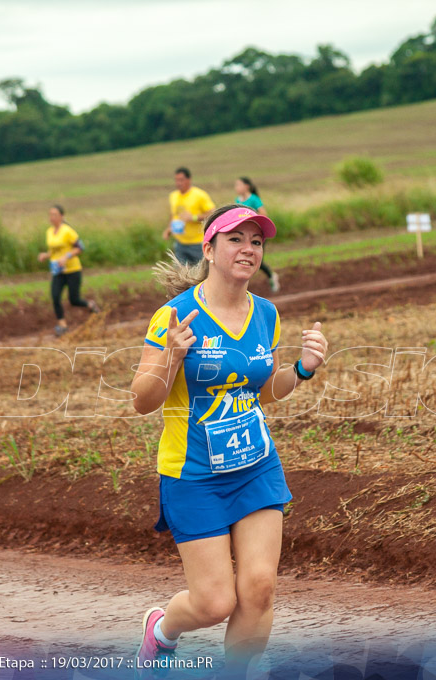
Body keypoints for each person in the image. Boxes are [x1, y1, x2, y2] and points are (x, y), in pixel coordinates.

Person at [130, 205, 328, 676]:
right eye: (235, 239)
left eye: (256, 242)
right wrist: (171, 358)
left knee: (259, 588)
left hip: (255, 464)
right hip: (193, 473)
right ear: (209, 248)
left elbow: (265, 392)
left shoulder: (266, 314)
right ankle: (161, 630)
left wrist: (301, 370)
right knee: (215, 602)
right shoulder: (175, 315)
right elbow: (142, 400)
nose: (248, 249)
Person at [37, 204, 100, 336]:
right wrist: (46, 255)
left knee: (74, 300)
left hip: (73, 270)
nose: (52, 217)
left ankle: (90, 305)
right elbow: (54, 249)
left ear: (61, 216)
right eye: (50, 214)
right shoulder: (49, 232)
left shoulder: (67, 231)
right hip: (58, 271)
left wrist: (67, 256)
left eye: (54, 215)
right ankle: (63, 325)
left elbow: (80, 247)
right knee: (55, 296)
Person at [235, 177, 281, 293]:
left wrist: (250, 219)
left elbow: (264, 214)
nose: (237, 188)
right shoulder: (238, 200)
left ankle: (271, 276)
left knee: (257, 261)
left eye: (239, 185)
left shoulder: (254, 199)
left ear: (247, 186)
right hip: (243, 236)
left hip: (255, 234)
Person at [164, 167, 215, 265]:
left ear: (189, 180)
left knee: (202, 274)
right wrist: (168, 228)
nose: (178, 183)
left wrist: (194, 217)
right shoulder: (173, 196)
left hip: (198, 243)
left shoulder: (199, 195)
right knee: (180, 275)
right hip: (180, 243)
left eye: (181, 180)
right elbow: (173, 215)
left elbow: (212, 213)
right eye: (176, 180)